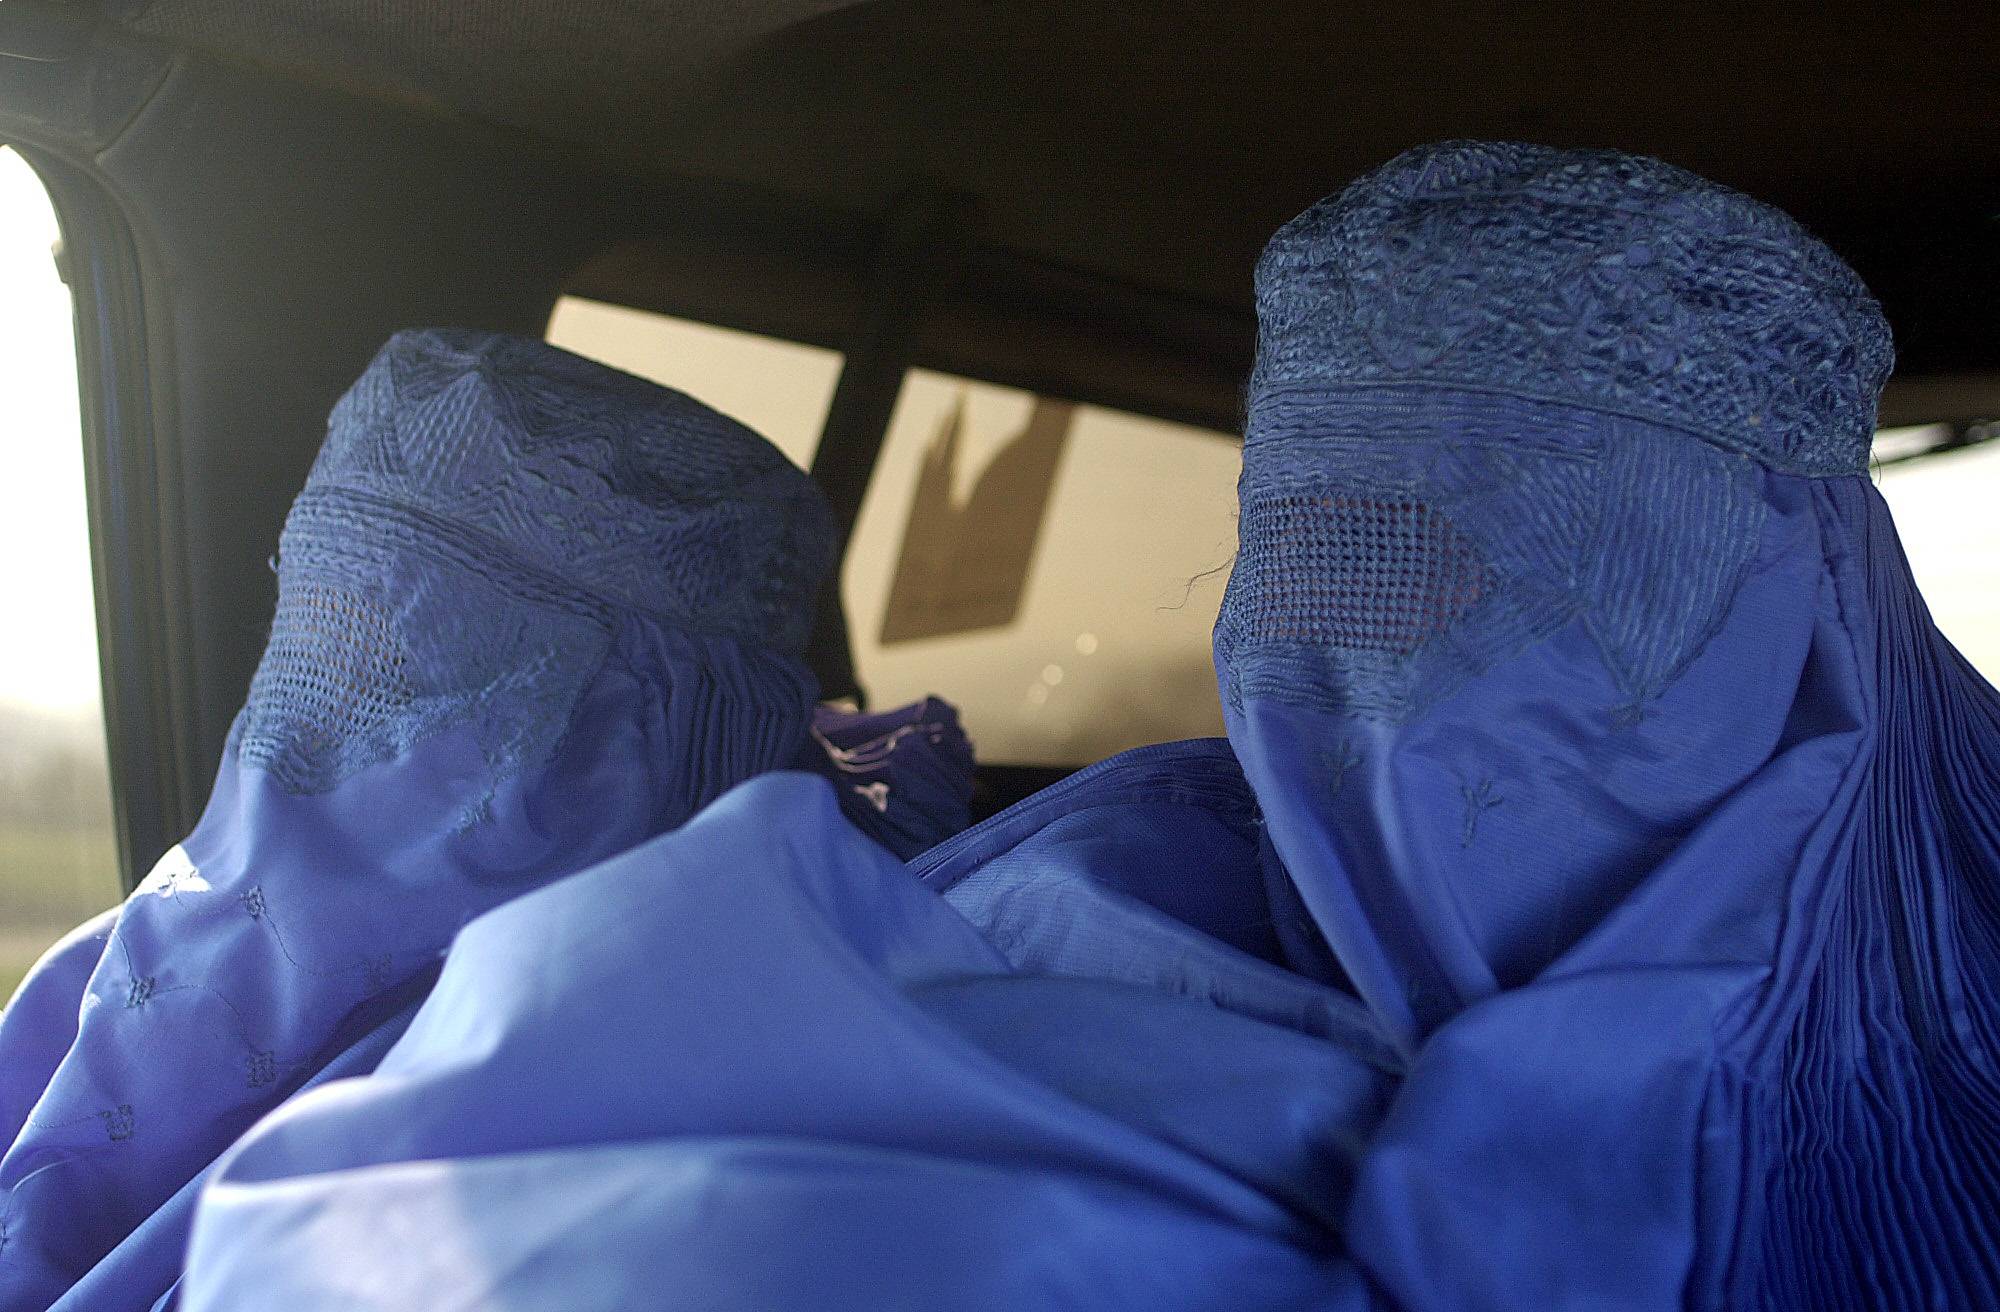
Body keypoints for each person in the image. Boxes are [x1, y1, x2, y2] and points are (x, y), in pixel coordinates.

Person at [1221, 140, 1999, 1309]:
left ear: (1794, 602)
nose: (1355, 657)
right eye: (1307, 562)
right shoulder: (1053, 938)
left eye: (1473, 559)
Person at [0, 329, 837, 1310]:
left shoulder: (610, 1112)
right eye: (310, 646)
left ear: (612, 746)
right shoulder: (104, 965)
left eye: (405, 678)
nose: (294, 748)